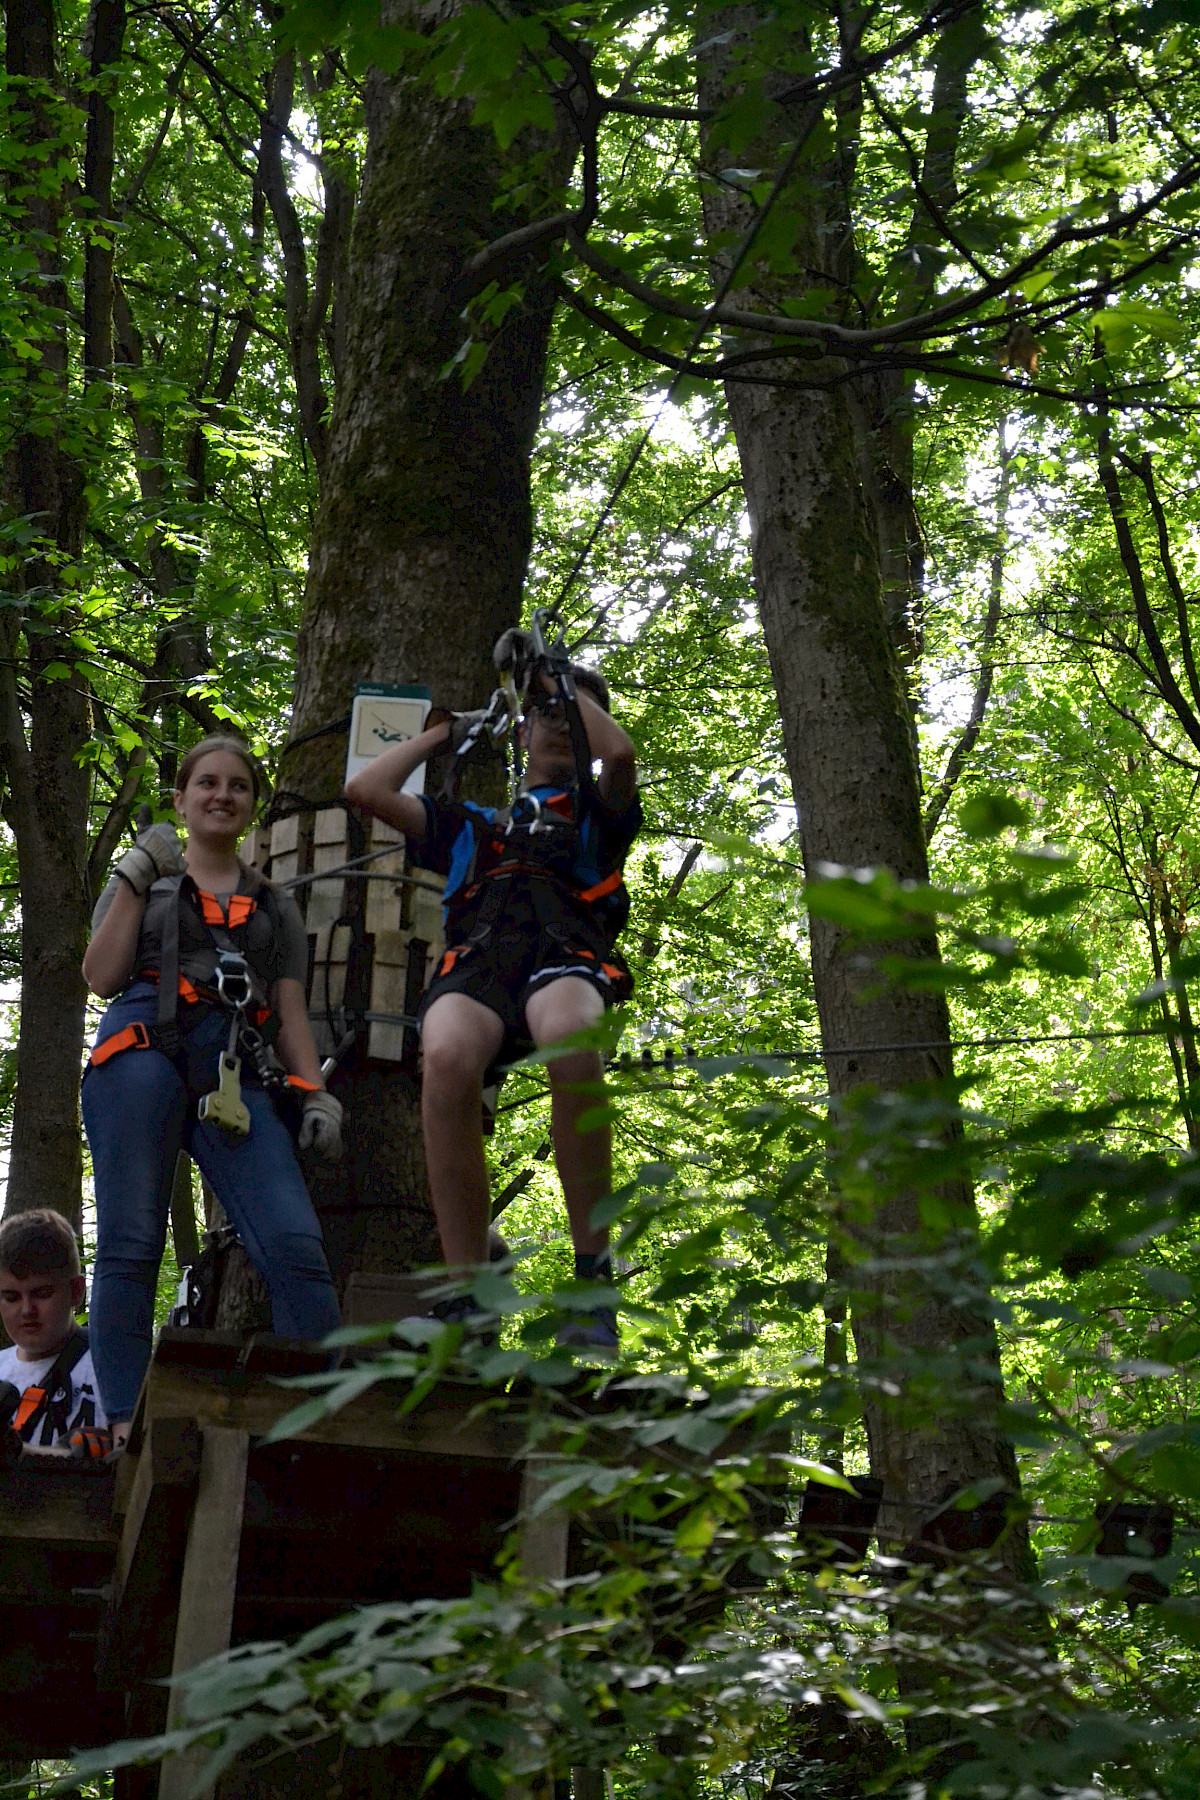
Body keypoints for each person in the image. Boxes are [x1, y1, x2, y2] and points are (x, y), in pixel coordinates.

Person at [344, 658, 640, 1349]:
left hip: (564, 956)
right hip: (480, 965)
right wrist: (448, 732)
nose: (560, 725)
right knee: (444, 1054)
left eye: (574, 717)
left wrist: (556, 688)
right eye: (544, 717)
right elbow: (366, 787)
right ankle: (467, 1295)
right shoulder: (475, 824)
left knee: (568, 1034)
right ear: (523, 732)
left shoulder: (601, 813)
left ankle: (593, 1281)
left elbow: (619, 751)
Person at [82, 736, 343, 1448]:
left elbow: (290, 1016)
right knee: (132, 1245)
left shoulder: (274, 907)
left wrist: (315, 1095)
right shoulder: (149, 879)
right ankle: (125, 1425)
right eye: (207, 784)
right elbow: (100, 976)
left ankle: (304, 1425)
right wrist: (136, 876)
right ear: (181, 799)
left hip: (233, 1063)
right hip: (141, 1047)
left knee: (294, 1243)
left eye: (237, 786)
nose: (221, 796)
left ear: (252, 806)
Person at [0, 1208, 105, 1456]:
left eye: (42, 1294)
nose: (27, 1310)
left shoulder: (111, 1370)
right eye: (11, 1297)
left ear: (76, 1291)